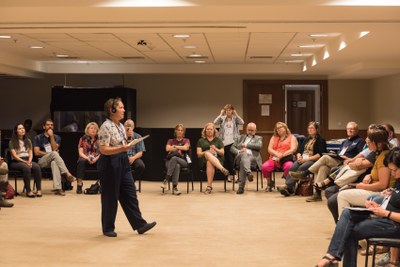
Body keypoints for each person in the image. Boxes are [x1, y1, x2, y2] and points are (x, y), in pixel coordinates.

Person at [315, 148, 400, 267]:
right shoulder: (398, 179)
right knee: (347, 213)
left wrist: (386, 213)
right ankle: (331, 256)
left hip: (394, 224)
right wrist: (380, 203)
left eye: (394, 170)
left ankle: (332, 258)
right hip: (385, 215)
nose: (392, 173)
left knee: (349, 231)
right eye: (390, 170)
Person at [97, 97, 156, 237]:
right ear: (112, 110)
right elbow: (103, 150)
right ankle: (108, 228)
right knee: (110, 197)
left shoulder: (121, 125)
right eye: (121, 107)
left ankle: (140, 225)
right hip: (110, 162)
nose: (124, 110)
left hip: (122, 161)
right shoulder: (105, 126)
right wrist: (122, 148)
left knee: (130, 193)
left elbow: (122, 145)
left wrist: (129, 144)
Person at [290, 121, 365, 202]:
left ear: (357, 130)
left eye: (352, 129)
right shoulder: (345, 141)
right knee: (323, 167)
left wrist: (349, 159)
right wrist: (336, 154)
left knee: (325, 157)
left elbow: (361, 155)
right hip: (338, 160)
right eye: (348, 129)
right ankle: (317, 194)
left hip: (347, 163)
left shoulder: (360, 141)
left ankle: (305, 173)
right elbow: (339, 153)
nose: (350, 130)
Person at [336, 125, 394, 219]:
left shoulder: (384, 156)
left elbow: (383, 185)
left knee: (342, 195)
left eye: (370, 141)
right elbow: (379, 173)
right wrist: (369, 175)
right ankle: (345, 224)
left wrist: (361, 186)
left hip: (380, 193)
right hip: (373, 188)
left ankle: (344, 224)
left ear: (379, 144)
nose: (367, 142)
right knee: (337, 195)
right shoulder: (378, 153)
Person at [277, 121, 326, 197]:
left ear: (316, 129)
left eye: (312, 128)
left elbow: (319, 155)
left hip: (313, 160)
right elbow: (299, 150)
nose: (310, 130)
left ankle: (287, 186)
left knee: (302, 168)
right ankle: (290, 188)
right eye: (309, 128)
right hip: (303, 159)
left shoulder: (321, 140)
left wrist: (306, 160)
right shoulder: (306, 139)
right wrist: (299, 156)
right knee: (293, 167)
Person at [33, 119, 76, 196]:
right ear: (44, 126)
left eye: (51, 125)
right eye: (48, 125)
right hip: (41, 161)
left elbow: (54, 149)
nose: (50, 126)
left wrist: (51, 136)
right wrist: (50, 154)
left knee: (54, 163)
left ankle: (58, 188)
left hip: (53, 159)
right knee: (54, 154)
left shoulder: (57, 137)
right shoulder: (38, 137)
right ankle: (67, 173)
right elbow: (36, 152)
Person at [262, 122, 298, 192]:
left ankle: (287, 185)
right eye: (277, 128)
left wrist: (282, 155)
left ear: (285, 128)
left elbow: (293, 149)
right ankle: (270, 184)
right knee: (265, 166)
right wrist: (277, 154)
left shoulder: (292, 137)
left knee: (289, 166)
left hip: (286, 159)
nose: (278, 129)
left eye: (280, 127)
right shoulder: (274, 137)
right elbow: (269, 149)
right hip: (274, 158)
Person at [9, 123, 42, 197]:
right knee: (26, 167)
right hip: (16, 161)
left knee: (36, 166)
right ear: (16, 131)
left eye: (23, 128)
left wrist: (29, 161)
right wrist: (25, 162)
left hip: (27, 159)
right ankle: (28, 191)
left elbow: (30, 153)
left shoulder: (28, 141)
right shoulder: (12, 142)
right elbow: (14, 156)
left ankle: (39, 190)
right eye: (20, 129)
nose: (22, 130)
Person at [213, 104, 244, 182]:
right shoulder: (222, 119)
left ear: (232, 111)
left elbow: (242, 122)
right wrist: (220, 114)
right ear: (225, 111)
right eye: (226, 110)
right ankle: (234, 175)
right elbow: (215, 122)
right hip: (224, 141)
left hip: (233, 141)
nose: (228, 111)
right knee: (228, 158)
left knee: (231, 159)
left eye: (230, 110)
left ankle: (230, 175)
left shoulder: (235, 119)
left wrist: (236, 114)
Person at [230, 122, 263, 194]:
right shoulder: (240, 137)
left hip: (253, 158)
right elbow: (232, 148)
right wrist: (239, 151)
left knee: (243, 162)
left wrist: (246, 145)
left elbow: (259, 146)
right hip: (240, 156)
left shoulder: (258, 138)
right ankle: (248, 172)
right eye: (249, 130)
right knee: (243, 154)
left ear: (255, 131)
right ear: (246, 129)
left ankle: (241, 187)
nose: (250, 132)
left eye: (252, 130)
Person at [197, 122, 229, 194]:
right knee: (208, 157)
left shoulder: (218, 140)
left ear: (214, 131)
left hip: (218, 160)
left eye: (211, 129)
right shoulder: (201, 141)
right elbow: (199, 154)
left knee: (209, 162)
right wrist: (207, 151)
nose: (209, 130)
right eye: (207, 129)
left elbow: (222, 152)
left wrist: (216, 149)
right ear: (205, 131)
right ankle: (222, 169)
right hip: (204, 161)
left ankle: (209, 187)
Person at [161, 124, 191, 195]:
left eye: (181, 130)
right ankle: (175, 188)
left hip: (183, 161)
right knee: (176, 165)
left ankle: (166, 179)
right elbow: (167, 148)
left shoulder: (186, 140)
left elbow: (186, 148)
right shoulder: (170, 140)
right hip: (169, 161)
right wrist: (180, 147)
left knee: (175, 159)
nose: (180, 132)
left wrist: (174, 147)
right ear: (175, 131)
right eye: (178, 130)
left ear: (183, 132)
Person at [76, 122, 100, 194]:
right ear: (87, 130)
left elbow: (103, 152)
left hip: (97, 158)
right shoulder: (83, 139)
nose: (93, 130)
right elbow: (80, 153)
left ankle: (100, 184)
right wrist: (87, 158)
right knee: (81, 161)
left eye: (95, 128)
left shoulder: (100, 139)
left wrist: (96, 159)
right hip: (86, 158)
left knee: (104, 160)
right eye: (91, 128)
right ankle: (79, 184)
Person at [123, 119, 146, 184]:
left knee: (141, 166)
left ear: (133, 127)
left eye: (130, 126)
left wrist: (133, 158)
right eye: (126, 126)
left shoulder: (138, 136)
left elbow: (140, 152)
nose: (128, 127)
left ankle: (130, 182)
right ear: (123, 127)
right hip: (123, 156)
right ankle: (122, 182)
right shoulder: (121, 136)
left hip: (134, 157)